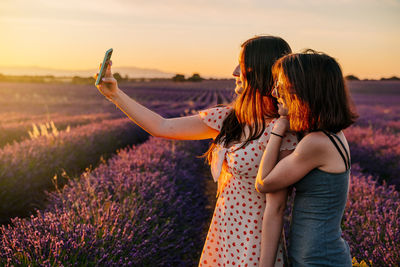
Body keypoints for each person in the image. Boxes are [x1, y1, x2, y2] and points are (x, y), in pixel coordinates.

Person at [95, 35, 297, 266]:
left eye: (241, 65)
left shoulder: (283, 130)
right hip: (224, 232)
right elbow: (162, 126)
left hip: (255, 243)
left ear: (259, 70)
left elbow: (278, 206)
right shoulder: (229, 119)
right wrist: (115, 95)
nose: (233, 72)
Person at [255, 50, 358, 266]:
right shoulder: (331, 135)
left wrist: (279, 128)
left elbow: (264, 183)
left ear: (305, 90)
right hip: (319, 255)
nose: (274, 92)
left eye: (281, 86)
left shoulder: (316, 143)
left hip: (319, 259)